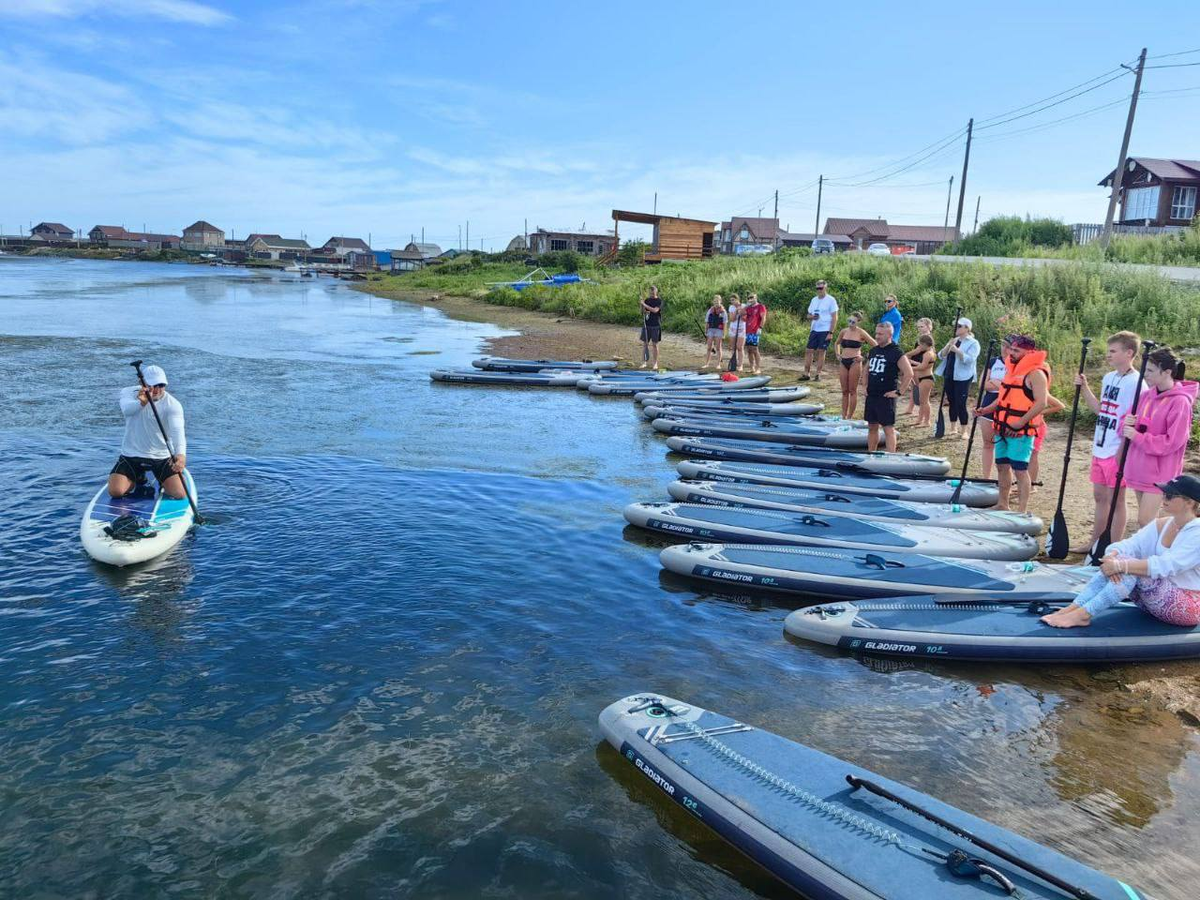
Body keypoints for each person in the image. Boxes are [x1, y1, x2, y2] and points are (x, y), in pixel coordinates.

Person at [1041, 474, 1200, 629]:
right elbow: (1129, 544)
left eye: (1170, 495)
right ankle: (1074, 608)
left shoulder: (1197, 532)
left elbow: (1168, 565)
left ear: (1190, 502)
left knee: (1129, 568)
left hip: (1189, 606)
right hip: (1156, 599)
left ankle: (1083, 615)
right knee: (1124, 562)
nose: (1164, 498)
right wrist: (1111, 557)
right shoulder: (1163, 524)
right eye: (1164, 493)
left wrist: (1121, 566)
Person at [1070, 332, 1141, 551]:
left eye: (1113, 351)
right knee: (1099, 496)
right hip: (1100, 447)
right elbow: (1101, 410)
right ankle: (1094, 542)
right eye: (1108, 351)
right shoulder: (1109, 378)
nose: (1108, 355)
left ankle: (1113, 548)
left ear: (1129, 353)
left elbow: (1137, 421)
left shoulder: (1137, 383)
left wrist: (1123, 449)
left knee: (1116, 500)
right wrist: (1084, 388)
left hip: (1117, 451)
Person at [1122, 347, 1199, 527]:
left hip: (1160, 474)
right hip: (1139, 468)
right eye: (1145, 369)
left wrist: (1137, 436)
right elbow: (1124, 426)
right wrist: (1127, 423)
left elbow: (1172, 442)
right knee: (1152, 522)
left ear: (1167, 372)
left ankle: (1170, 543)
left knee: (1146, 521)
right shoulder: (1145, 396)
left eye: (1150, 370)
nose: (1145, 375)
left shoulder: (1180, 402)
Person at [976, 334, 1049, 514]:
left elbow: (1042, 403)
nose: (1011, 353)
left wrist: (1021, 422)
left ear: (1029, 352)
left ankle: (1022, 511)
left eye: (1016, 350)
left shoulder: (1036, 373)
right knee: (1002, 466)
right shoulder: (1011, 370)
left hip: (1020, 431)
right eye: (1011, 349)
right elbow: (1002, 398)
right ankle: (1003, 503)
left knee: (1020, 470)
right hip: (1002, 427)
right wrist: (986, 410)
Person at [107, 364, 188, 500]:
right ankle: (138, 477)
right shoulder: (128, 392)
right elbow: (126, 411)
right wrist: (141, 403)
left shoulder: (173, 405)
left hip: (161, 457)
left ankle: (163, 481)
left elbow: (177, 432)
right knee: (116, 492)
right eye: (152, 385)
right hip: (131, 454)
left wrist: (181, 455)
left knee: (180, 493)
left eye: (161, 385)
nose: (156, 390)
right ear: (141, 383)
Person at [864, 321, 913, 453]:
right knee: (872, 426)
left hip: (886, 396)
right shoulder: (874, 350)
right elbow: (866, 369)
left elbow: (909, 373)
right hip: (872, 395)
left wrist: (899, 392)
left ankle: (891, 456)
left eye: (880, 334)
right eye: (876, 333)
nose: (877, 336)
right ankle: (871, 454)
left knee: (888, 428)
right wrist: (865, 385)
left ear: (889, 335)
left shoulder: (896, 352)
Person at [934, 317, 980, 439]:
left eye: (959, 326)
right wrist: (949, 346)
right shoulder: (953, 340)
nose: (956, 328)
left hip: (963, 376)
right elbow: (941, 355)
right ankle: (953, 428)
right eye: (956, 326)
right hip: (949, 374)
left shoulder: (973, 343)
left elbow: (970, 360)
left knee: (961, 402)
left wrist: (957, 350)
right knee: (952, 401)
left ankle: (964, 430)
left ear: (967, 328)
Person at [978, 338, 1010, 479]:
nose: (1004, 349)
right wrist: (1002, 384)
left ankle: (1004, 478)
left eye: (1008, 346)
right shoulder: (993, 362)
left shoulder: (1016, 364)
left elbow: (1011, 388)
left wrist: (996, 382)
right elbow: (982, 384)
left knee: (1005, 444)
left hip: (1008, 404)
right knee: (988, 443)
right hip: (989, 400)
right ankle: (986, 477)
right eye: (1003, 345)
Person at [835, 311, 876, 419]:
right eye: (849, 321)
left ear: (858, 322)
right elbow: (837, 343)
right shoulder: (844, 331)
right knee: (844, 391)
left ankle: (850, 416)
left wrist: (865, 357)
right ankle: (843, 416)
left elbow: (876, 345)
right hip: (843, 361)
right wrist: (837, 354)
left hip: (855, 362)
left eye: (853, 322)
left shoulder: (861, 332)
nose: (850, 323)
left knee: (852, 390)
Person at [802, 281, 838, 381]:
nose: (819, 290)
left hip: (825, 329)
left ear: (825, 288)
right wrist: (812, 316)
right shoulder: (814, 300)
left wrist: (831, 332)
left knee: (821, 351)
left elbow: (835, 317)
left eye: (821, 288)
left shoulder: (831, 300)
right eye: (817, 288)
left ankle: (818, 374)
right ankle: (806, 373)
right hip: (814, 329)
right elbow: (808, 315)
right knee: (809, 350)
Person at [903, 317, 935, 417]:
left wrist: (905, 356)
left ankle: (922, 415)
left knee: (920, 391)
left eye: (922, 326)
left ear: (929, 327)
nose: (919, 329)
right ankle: (911, 408)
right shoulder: (922, 338)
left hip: (921, 365)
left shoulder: (927, 339)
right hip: (917, 362)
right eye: (918, 327)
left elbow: (917, 351)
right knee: (915, 387)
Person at [908, 334, 937, 427]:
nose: (919, 347)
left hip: (926, 378)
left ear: (924, 344)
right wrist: (912, 362)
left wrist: (910, 368)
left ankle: (927, 421)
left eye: (920, 345)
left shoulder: (927, 354)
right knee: (922, 400)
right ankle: (920, 419)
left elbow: (923, 367)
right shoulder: (930, 352)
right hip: (924, 378)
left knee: (925, 401)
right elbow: (925, 365)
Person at [742, 293, 769, 375]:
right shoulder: (748, 308)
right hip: (747, 331)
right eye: (749, 298)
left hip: (755, 330)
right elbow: (741, 314)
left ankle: (758, 368)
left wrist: (760, 328)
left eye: (752, 297)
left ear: (756, 298)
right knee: (749, 350)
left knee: (755, 349)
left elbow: (763, 318)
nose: (750, 299)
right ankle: (752, 368)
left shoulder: (760, 306)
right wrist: (746, 306)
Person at [639, 285, 663, 370]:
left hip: (656, 325)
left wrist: (644, 304)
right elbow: (642, 312)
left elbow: (655, 310)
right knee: (645, 344)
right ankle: (644, 362)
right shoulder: (647, 300)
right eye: (651, 292)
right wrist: (641, 305)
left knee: (655, 345)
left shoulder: (659, 301)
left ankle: (655, 364)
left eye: (653, 292)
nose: (652, 293)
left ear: (656, 292)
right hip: (646, 325)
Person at [702, 294, 727, 369]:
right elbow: (707, 321)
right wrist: (706, 331)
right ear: (713, 302)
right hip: (711, 330)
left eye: (717, 301)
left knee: (718, 348)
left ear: (720, 301)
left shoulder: (723, 312)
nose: (716, 303)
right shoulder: (710, 310)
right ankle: (707, 364)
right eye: (715, 301)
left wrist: (724, 334)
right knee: (709, 347)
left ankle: (718, 364)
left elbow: (725, 323)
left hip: (719, 330)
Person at [727, 292, 746, 371]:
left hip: (741, 329)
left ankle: (740, 365)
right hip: (733, 329)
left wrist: (741, 312)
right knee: (733, 348)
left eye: (733, 300)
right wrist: (736, 311)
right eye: (731, 300)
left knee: (740, 347)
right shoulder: (731, 307)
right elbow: (732, 319)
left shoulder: (744, 306)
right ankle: (734, 363)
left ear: (737, 299)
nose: (732, 302)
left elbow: (745, 318)